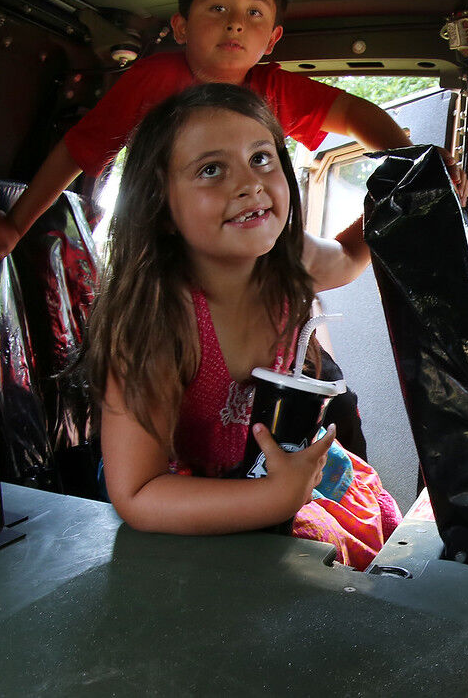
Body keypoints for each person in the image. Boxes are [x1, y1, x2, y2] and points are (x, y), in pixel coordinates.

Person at [83, 82, 400, 569]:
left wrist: (408, 186)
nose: (249, 183)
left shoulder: (289, 262)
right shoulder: (158, 323)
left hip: (266, 474)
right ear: (161, 208)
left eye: (261, 158)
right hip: (178, 501)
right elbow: (138, 494)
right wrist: (278, 498)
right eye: (211, 169)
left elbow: (352, 256)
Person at [0, 0, 449, 266]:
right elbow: (77, 150)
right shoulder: (153, 79)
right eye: (218, 8)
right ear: (181, 27)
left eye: (255, 13)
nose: (236, 22)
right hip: (168, 250)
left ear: (272, 39)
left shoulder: (271, 88)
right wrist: (15, 226)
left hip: (253, 249)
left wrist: (413, 171)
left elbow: (356, 115)